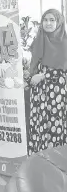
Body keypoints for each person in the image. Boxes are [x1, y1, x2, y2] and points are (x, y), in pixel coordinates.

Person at [27, 9, 67, 156]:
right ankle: (39, 161)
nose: (48, 23)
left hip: (58, 92)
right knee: (40, 124)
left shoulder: (65, 42)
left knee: (56, 125)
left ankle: (56, 162)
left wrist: (43, 75)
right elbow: (33, 65)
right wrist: (32, 78)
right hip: (40, 91)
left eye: (52, 20)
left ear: (59, 22)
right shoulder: (39, 40)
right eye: (45, 19)